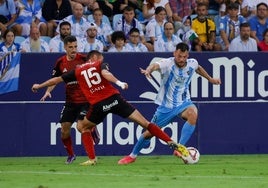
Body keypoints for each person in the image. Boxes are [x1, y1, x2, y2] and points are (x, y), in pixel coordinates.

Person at [31, 50, 191, 166]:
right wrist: (119, 83)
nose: (102, 58)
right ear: (94, 58)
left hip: (99, 105)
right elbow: (106, 74)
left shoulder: (77, 71)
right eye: (100, 57)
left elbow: (57, 79)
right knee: (146, 124)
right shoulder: (100, 63)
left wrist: (39, 85)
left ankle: (92, 159)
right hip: (115, 99)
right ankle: (173, 144)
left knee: (82, 127)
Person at [118, 42, 221, 165]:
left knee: (193, 114)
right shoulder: (168, 63)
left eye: (184, 57)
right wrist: (149, 70)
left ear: (187, 55)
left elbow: (198, 68)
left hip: (184, 102)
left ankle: (179, 148)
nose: (181, 59)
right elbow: (155, 65)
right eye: (179, 56)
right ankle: (132, 156)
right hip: (166, 106)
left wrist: (210, 79)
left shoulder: (192, 63)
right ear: (174, 54)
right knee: (149, 133)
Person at [37, 36, 100, 164]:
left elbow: (97, 68)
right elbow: (55, 80)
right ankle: (71, 155)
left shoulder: (83, 59)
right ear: (65, 47)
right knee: (64, 131)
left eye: (75, 47)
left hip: (85, 100)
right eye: (70, 47)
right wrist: (48, 92)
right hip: (70, 102)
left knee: (81, 127)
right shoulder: (60, 62)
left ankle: (92, 157)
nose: (73, 49)